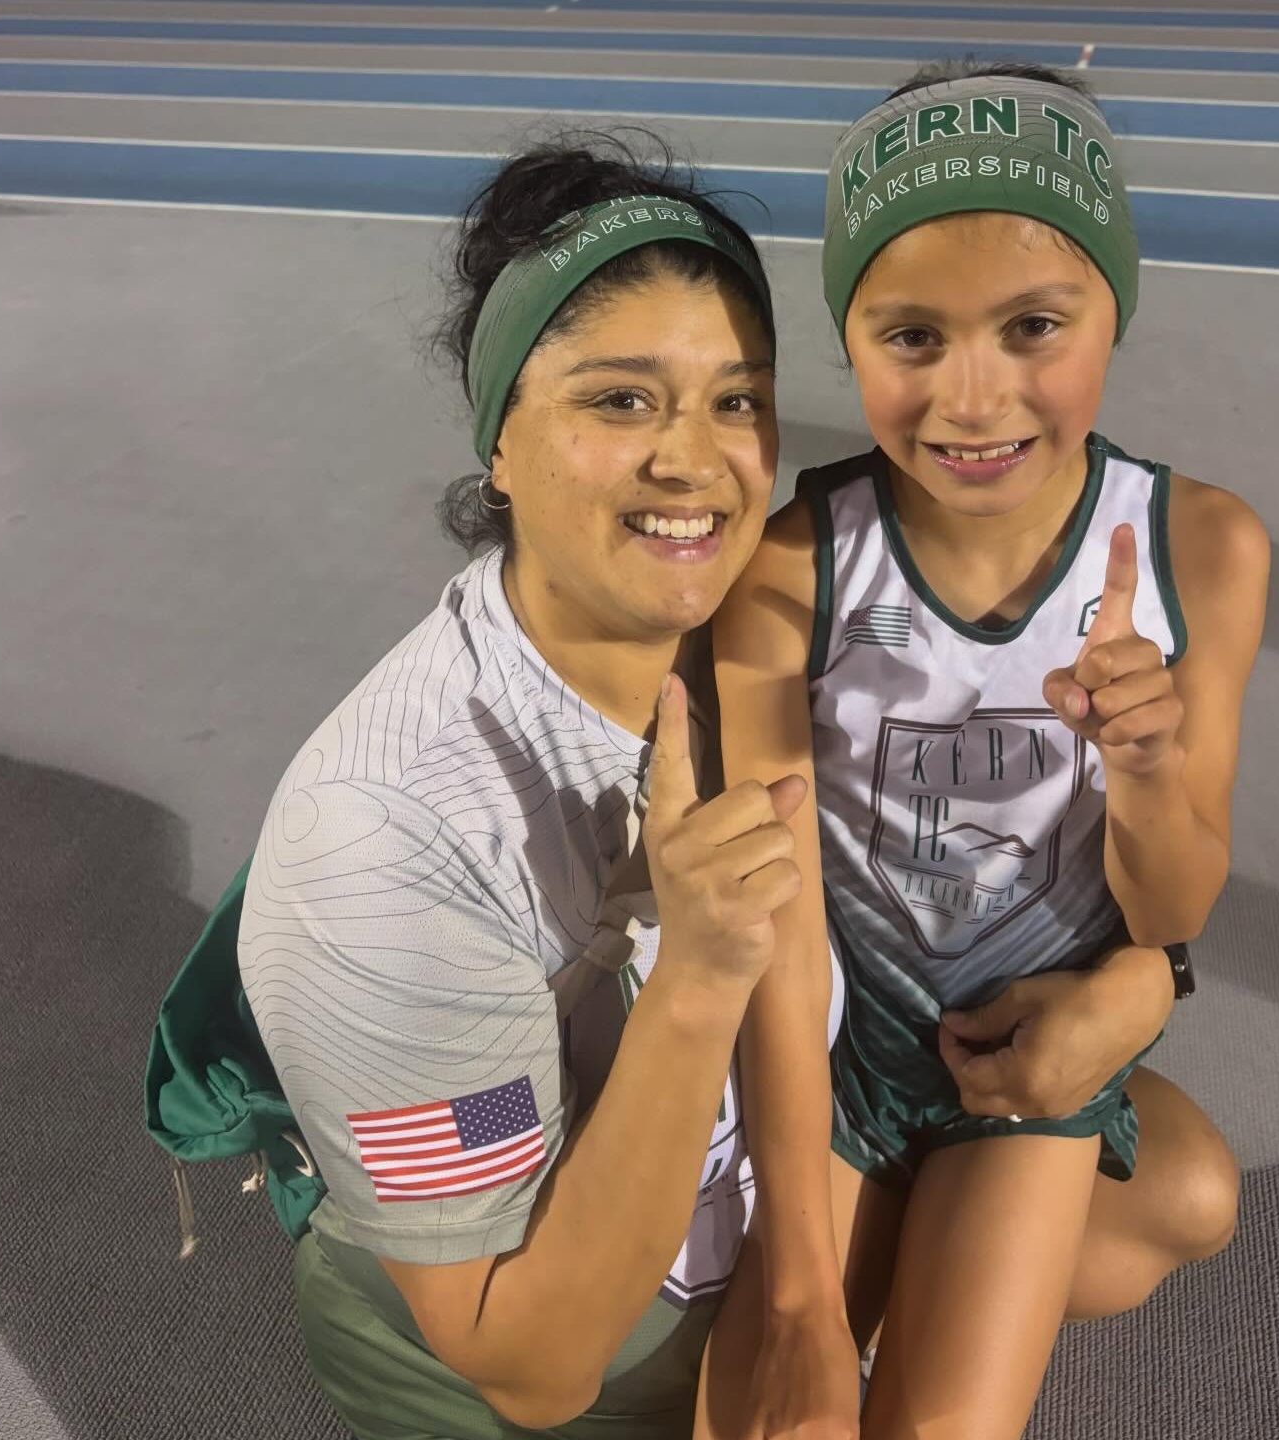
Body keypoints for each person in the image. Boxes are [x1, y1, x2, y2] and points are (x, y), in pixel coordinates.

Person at [701, 61, 1270, 1440]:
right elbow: (778, 939)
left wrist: (1143, 768)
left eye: (1033, 327)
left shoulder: (1203, 547)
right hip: (834, 1061)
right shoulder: (788, 574)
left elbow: (1177, 908)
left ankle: (930, 1263)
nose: (973, 398)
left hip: (1023, 1066)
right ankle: (879, 1261)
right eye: (911, 337)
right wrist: (796, 1305)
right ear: (849, 338)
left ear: (1111, 312)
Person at [236, 137, 804, 1438]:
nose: (695, 461)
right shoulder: (382, 840)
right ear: (501, 440)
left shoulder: (751, 624)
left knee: (1151, 1188)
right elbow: (529, 1358)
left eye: (736, 399)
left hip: (712, 1215)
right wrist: (702, 973)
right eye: (619, 401)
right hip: (530, 1349)